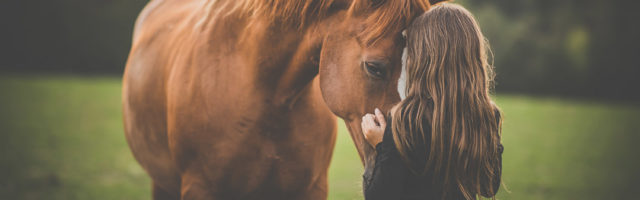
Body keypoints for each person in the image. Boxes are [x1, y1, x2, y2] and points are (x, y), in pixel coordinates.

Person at [360, 3, 504, 200]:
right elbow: (488, 187)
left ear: (422, 58)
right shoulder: (487, 115)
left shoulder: (406, 119)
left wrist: (381, 146)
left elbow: (380, 196)